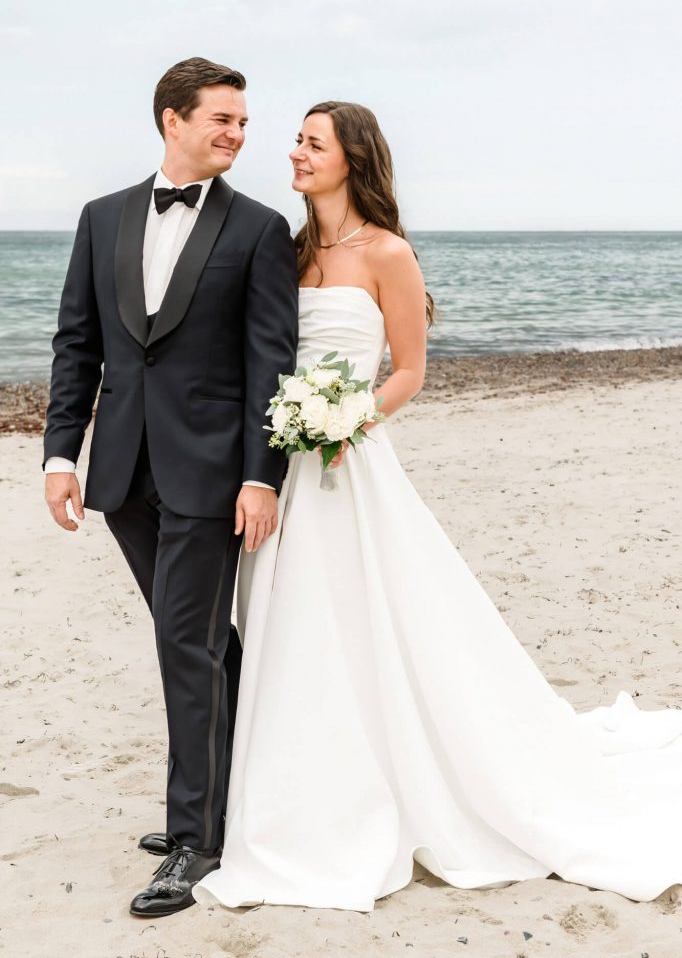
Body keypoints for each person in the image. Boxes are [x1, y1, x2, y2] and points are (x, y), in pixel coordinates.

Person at [193, 101, 682, 913]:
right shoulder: (284, 251)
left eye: (312, 143)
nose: (295, 153)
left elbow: (409, 370)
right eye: (297, 141)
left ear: (353, 157)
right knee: (290, 623)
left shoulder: (388, 253)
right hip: (283, 468)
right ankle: (298, 788)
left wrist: (350, 420)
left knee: (370, 615)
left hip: (349, 464)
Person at [42, 57, 299, 917]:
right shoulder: (102, 216)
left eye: (242, 123)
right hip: (121, 474)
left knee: (182, 647)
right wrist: (58, 455)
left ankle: (194, 842)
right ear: (171, 120)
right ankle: (226, 799)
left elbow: (272, 363)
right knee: (202, 642)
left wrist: (263, 475)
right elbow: (77, 342)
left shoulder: (259, 229)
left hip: (214, 475)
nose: (236, 133)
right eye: (221, 118)